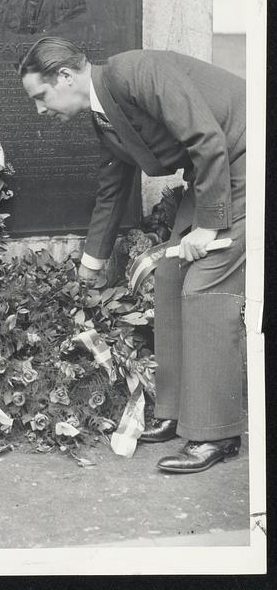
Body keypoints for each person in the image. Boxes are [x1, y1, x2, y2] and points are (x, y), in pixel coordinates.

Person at [18, 37, 246, 474]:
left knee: (205, 285)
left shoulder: (134, 73)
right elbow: (113, 186)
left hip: (244, 155)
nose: (40, 110)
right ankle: (178, 412)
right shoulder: (103, 113)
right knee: (169, 273)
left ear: (65, 77)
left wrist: (209, 225)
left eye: (41, 96)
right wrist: (92, 261)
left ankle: (216, 433)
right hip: (215, 169)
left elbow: (206, 136)